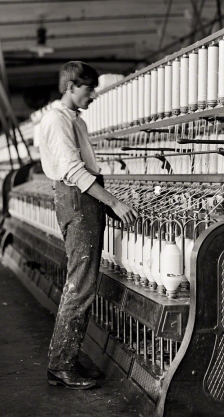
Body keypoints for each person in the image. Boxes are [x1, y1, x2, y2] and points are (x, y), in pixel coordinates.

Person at [40, 61, 137, 390]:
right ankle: (61, 365)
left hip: (83, 200)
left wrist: (105, 202)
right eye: (87, 89)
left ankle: (66, 356)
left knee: (82, 282)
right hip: (76, 200)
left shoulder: (73, 119)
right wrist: (114, 202)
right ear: (70, 87)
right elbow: (74, 172)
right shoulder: (57, 120)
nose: (92, 95)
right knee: (80, 285)